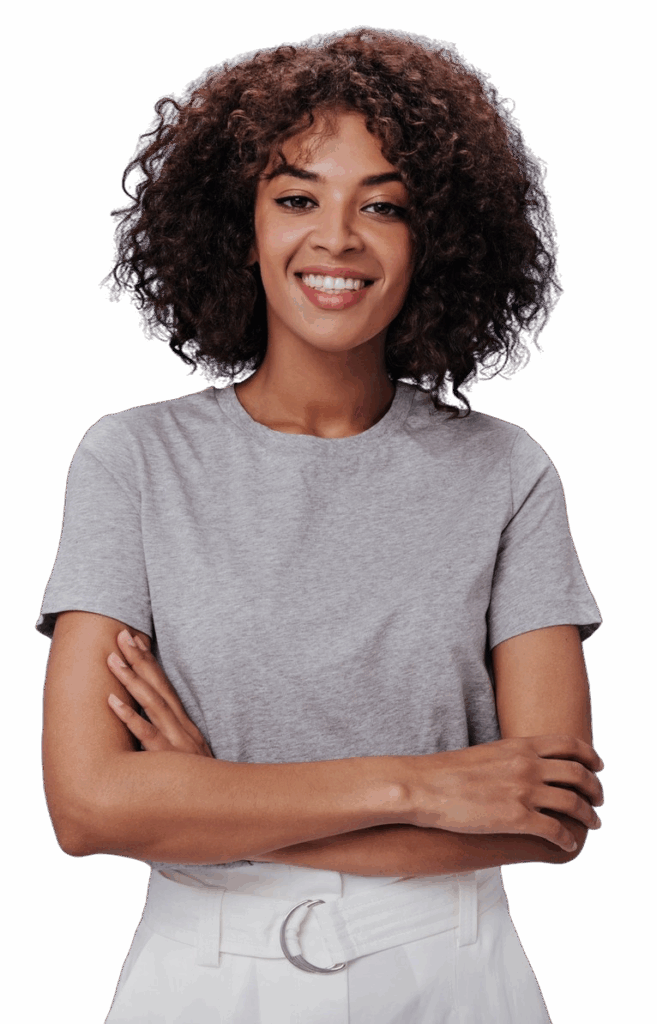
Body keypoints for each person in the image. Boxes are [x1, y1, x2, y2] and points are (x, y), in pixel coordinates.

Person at [37, 26, 605, 1024]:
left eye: (383, 205)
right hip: (201, 977)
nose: (337, 238)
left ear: (438, 239)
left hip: (452, 974)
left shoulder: (506, 472)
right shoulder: (132, 461)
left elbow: (550, 816)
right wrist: (420, 787)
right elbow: (88, 807)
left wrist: (211, 798)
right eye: (297, 198)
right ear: (239, 225)